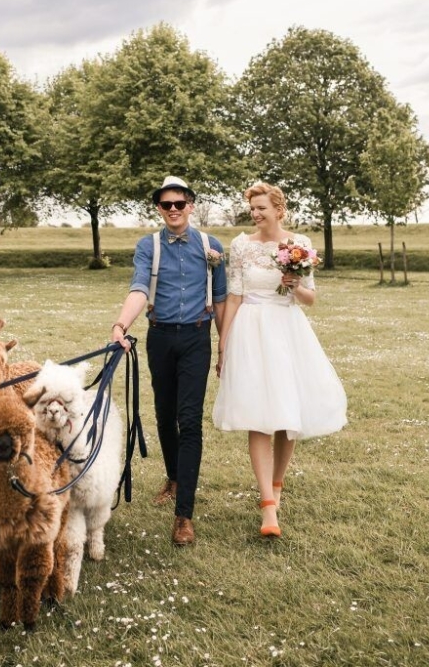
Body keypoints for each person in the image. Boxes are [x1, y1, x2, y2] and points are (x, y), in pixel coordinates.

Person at [212, 182, 346, 538]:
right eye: (252, 209)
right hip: (250, 331)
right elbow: (235, 296)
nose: (256, 214)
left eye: (261, 208)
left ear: (278, 209)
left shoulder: (299, 244)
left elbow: (310, 298)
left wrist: (293, 283)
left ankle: (278, 485)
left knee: (288, 418)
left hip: (286, 332)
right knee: (258, 416)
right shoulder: (241, 245)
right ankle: (267, 506)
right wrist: (223, 346)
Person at [111, 175, 227, 546]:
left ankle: (184, 517)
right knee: (164, 413)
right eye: (166, 205)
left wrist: (226, 345)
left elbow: (221, 298)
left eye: (180, 203)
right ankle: (173, 477)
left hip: (197, 336)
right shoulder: (149, 246)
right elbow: (139, 288)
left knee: (189, 420)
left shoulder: (212, 246)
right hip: (160, 337)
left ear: (191, 205)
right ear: (159, 209)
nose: (173, 210)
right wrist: (120, 324)